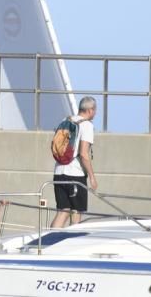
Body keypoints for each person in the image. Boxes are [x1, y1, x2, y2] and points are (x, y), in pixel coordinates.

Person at [51, 96, 98, 227]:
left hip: (59, 173)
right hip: (75, 175)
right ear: (90, 110)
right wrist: (92, 177)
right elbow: (83, 154)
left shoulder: (66, 120)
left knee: (63, 211)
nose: (95, 113)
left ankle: (47, 241)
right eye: (95, 110)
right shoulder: (87, 125)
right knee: (76, 213)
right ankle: (70, 243)